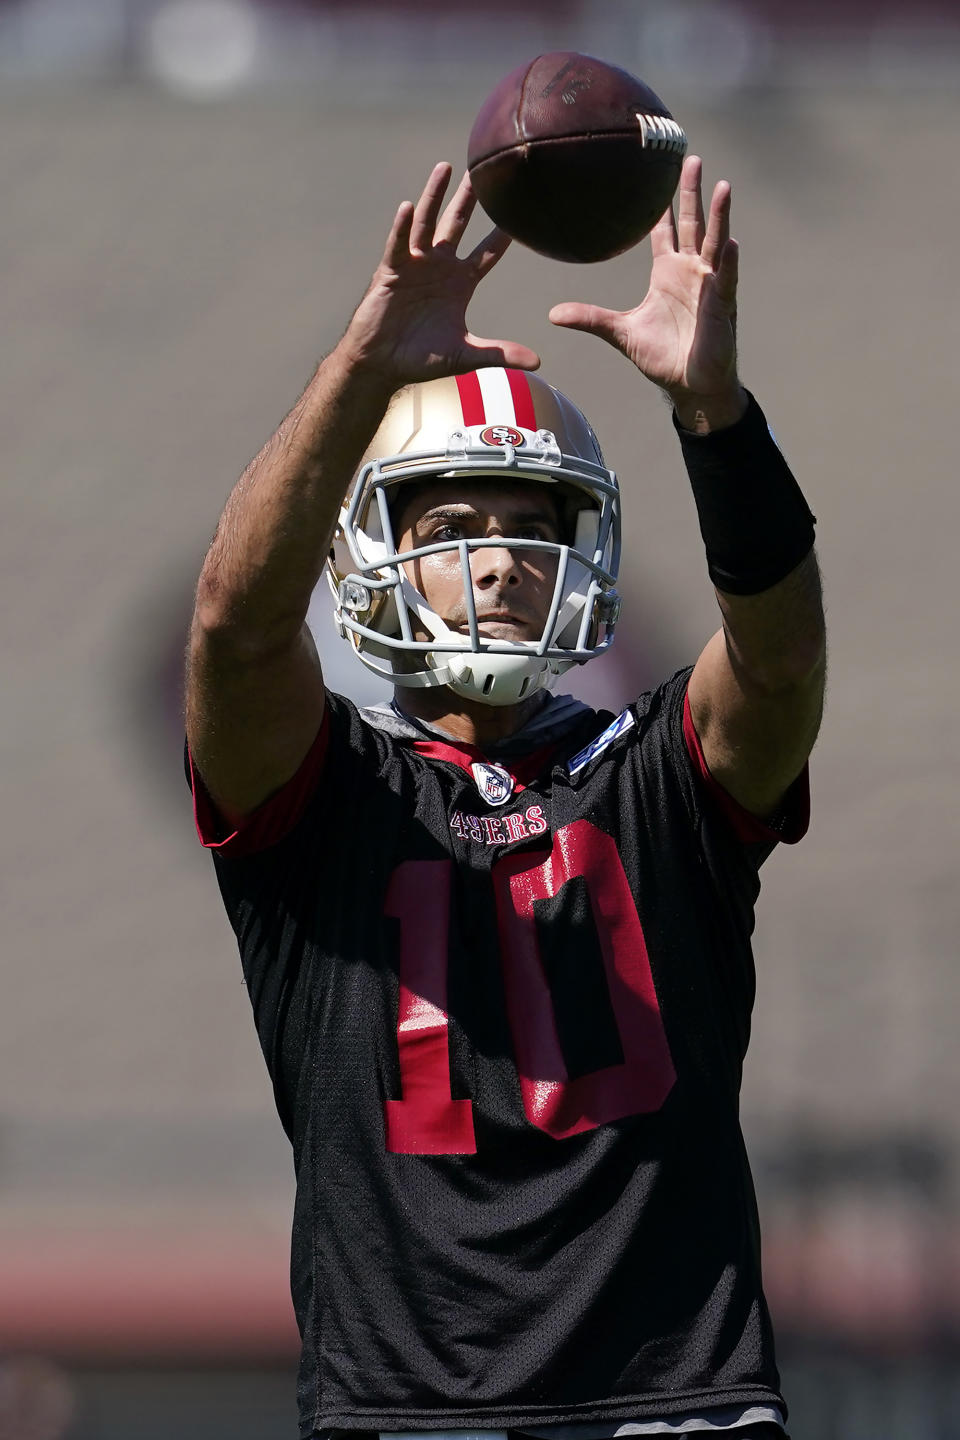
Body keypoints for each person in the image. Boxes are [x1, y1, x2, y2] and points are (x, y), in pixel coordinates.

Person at [185, 155, 824, 1440]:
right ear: (370, 550)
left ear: (582, 547)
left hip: (673, 1396)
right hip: (408, 1404)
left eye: (529, 522)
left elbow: (782, 662)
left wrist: (719, 419)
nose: (496, 560)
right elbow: (236, 632)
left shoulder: (652, 769)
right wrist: (363, 365)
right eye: (449, 521)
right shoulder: (326, 789)